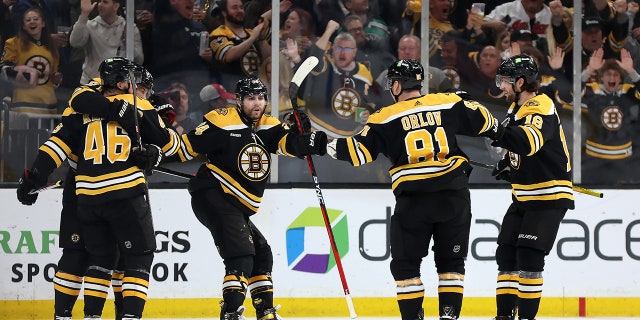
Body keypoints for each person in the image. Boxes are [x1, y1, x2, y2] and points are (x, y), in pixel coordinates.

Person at [323, 59, 501, 320]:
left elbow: (356, 153)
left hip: (415, 201)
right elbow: (487, 122)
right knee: (451, 265)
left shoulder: (384, 116)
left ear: (397, 84)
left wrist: (320, 143)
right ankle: (449, 317)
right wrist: (468, 101)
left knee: (406, 266)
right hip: (454, 196)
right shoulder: (447, 101)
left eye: (391, 83)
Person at [18, 57, 181, 320]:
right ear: (121, 82)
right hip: (124, 188)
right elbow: (169, 143)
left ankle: (85, 316)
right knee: (136, 257)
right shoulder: (134, 103)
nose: (139, 89)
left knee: (100, 257)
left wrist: (34, 177)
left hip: (86, 190)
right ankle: (126, 315)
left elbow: (57, 144)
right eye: (134, 83)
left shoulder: (84, 106)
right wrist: (155, 151)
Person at [172, 77, 327, 320]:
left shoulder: (268, 125)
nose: (257, 103)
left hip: (235, 202)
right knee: (242, 254)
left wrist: (308, 137)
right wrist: (155, 153)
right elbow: (185, 147)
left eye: (261, 98)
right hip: (214, 193)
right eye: (251, 98)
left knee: (262, 253)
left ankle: (265, 312)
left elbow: (290, 145)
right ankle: (231, 312)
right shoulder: (222, 121)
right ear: (239, 101)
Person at [488, 53, 574, 320]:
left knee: (529, 257)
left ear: (521, 82)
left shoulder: (540, 105)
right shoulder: (515, 110)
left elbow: (529, 143)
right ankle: (503, 317)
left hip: (548, 196)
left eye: (505, 80)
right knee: (506, 255)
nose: (500, 85)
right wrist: (508, 164)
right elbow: (516, 152)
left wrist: (489, 127)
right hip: (523, 196)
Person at [0, 7, 62, 115]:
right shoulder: (14, 43)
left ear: (43, 23)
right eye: (28, 20)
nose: (32, 22)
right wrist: (20, 72)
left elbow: (53, 79)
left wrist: (56, 79)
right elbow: (4, 69)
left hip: (48, 105)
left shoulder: (52, 48)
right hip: (23, 103)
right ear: (23, 26)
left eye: (35, 19)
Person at [69, 0, 144, 84]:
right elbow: (75, 42)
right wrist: (84, 14)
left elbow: (139, 60)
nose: (100, 5)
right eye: (100, 1)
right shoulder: (90, 25)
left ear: (116, 6)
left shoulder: (129, 29)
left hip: (119, 85)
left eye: (105, 2)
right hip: (92, 83)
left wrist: (128, 44)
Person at [209, 0, 271, 90]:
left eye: (241, 7)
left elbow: (269, 59)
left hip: (259, 92)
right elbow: (229, 55)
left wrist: (261, 39)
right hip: (233, 93)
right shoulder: (217, 34)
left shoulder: (252, 32)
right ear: (224, 13)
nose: (240, 10)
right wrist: (252, 38)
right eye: (234, 8)